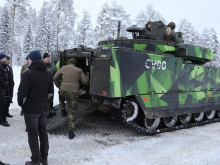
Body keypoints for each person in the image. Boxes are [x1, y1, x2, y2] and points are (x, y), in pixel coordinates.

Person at [18, 50, 54, 165]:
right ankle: (44, 158)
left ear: (32, 59)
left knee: (33, 134)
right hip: (43, 108)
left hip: (31, 109)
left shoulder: (28, 74)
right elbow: (51, 92)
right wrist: (42, 100)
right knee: (43, 132)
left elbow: (22, 94)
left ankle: (35, 160)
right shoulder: (48, 73)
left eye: (29, 59)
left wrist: (22, 104)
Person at [53, 58, 88, 139]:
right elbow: (85, 81)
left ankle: (62, 109)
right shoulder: (79, 70)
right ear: (75, 63)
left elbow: (55, 77)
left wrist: (59, 86)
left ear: (68, 62)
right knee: (72, 111)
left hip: (63, 90)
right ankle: (71, 132)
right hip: (73, 92)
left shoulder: (63, 68)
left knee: (61, 95)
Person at [43, 53, 56, 118]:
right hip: (42, 85)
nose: (48, 59)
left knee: (51, 97)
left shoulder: (52, 66)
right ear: (43, 59)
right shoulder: (41, 66)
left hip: (50, 84)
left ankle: (50, 109)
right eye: (47, 58)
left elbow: (56, 74)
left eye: (49, 58)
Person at [0, 53, 10, 127]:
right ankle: (3, 121)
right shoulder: (0, 66)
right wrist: (5, 85)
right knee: (2, 105)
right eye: (5, 57)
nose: (6, 58)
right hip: (2, 90)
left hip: (3, 89)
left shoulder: (3, 66)